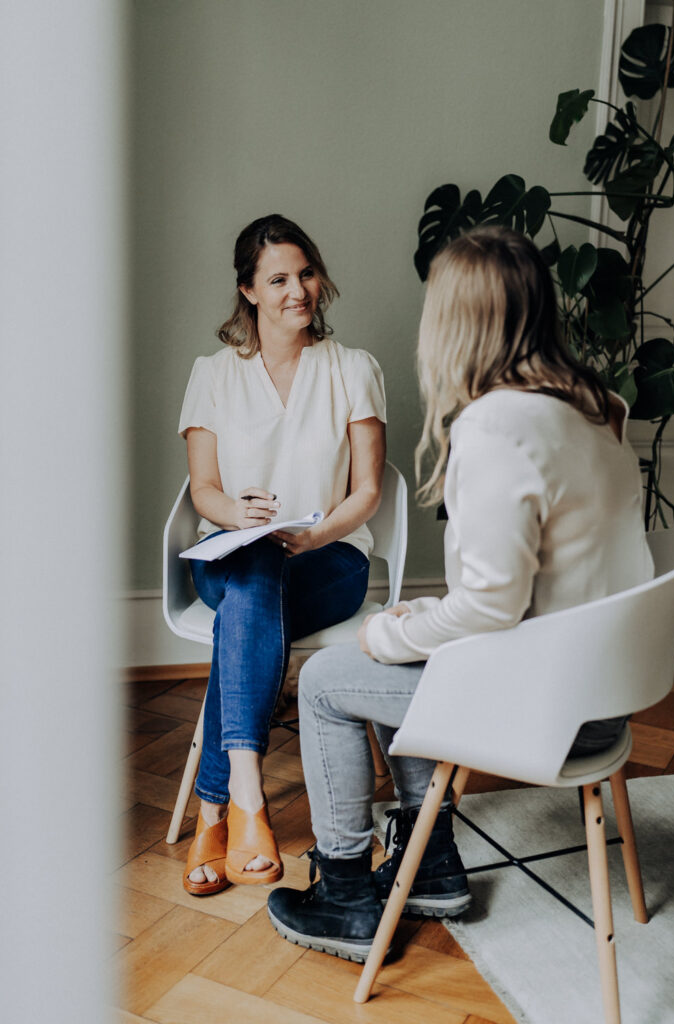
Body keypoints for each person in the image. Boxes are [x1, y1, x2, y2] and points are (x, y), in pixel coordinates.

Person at [267, 225, 654, 961]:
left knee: (326, 678)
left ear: (454, 320)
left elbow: (487, 610)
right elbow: (520, 590)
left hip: (551, 710)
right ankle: (429, 863)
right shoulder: (596, 407)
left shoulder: (496, 425)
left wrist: (388, 633)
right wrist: (420, 621)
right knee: (399, 647)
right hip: (607, 693)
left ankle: (345, 889)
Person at [178, 214, 386, 895]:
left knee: (247, 611)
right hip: (236, 555)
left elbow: (366, 494)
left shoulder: (353, 368)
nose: (297, 289)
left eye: (304, 273)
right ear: (248, 291)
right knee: (254, 568)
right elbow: (204, 489)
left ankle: (222, 807)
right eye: (277, 279)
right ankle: (242, 797)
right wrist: (236, 514)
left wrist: (318, 534)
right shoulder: (212, 373)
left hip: (330, 561)